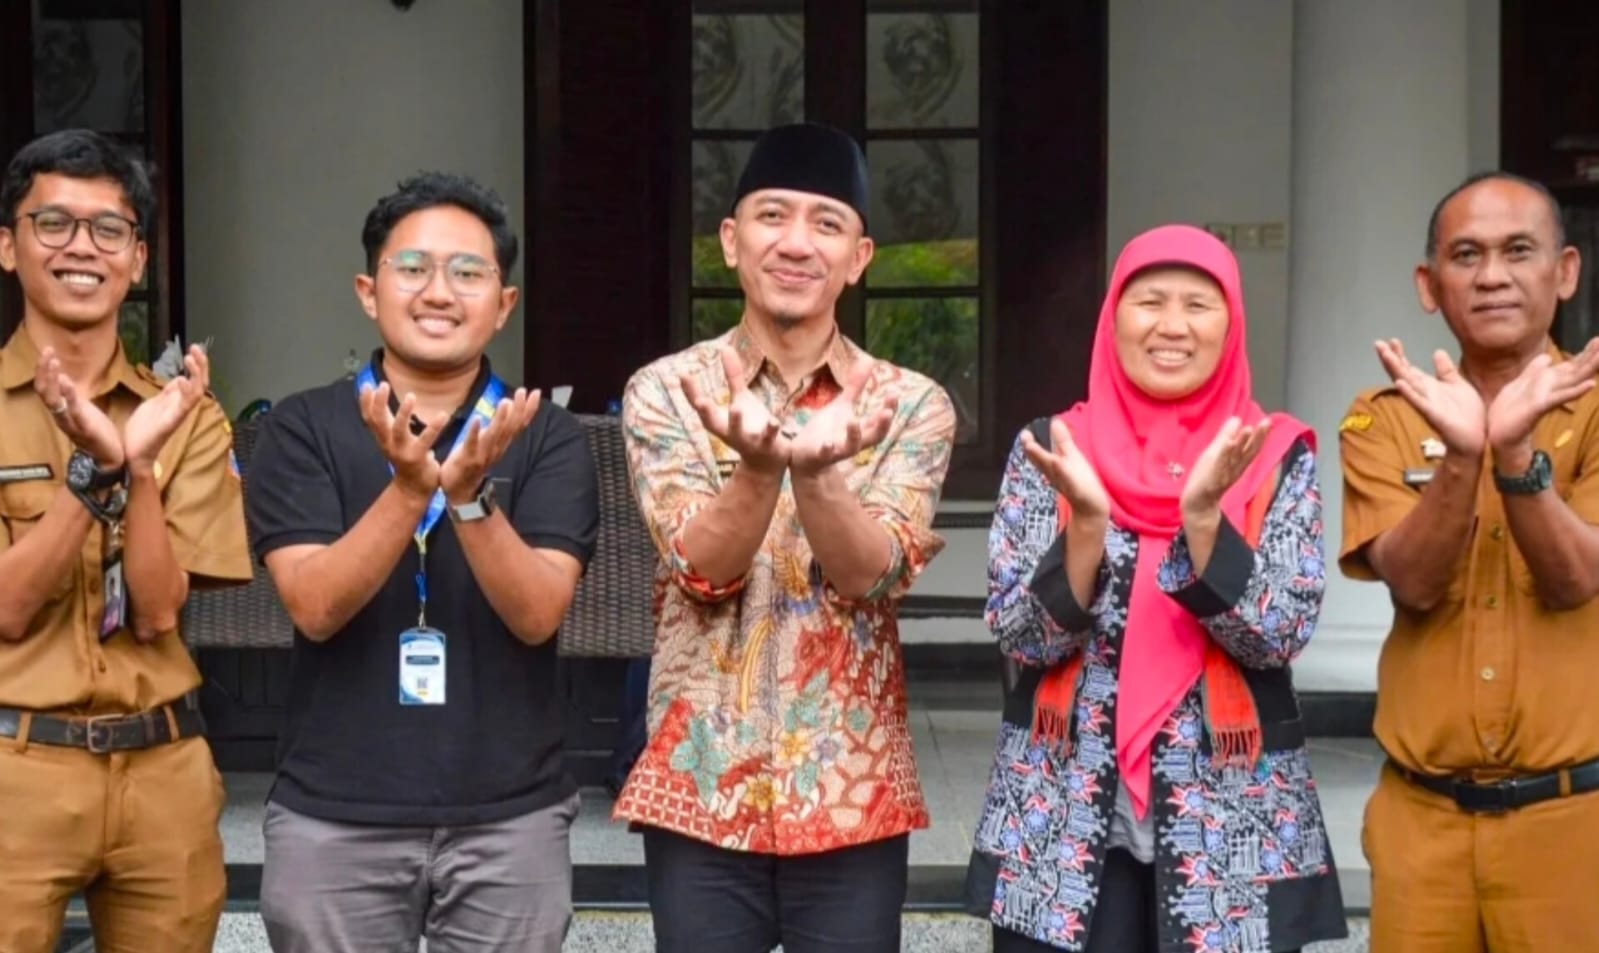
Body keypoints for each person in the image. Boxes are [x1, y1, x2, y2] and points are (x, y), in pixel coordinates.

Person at [612, 122, 957, 953]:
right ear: (731, 242)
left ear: (859, 257)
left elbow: (869, 578)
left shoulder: (910, 403)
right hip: (700, 778)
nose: (796, 243)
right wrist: (760, 468)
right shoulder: (667, 389)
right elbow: (698, 568)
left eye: (826, 224)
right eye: (772, 216)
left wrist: (818, 470)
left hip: (852, 784)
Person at [965, 224, 1348, 953]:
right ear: (1113, 318)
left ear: (1230, 325)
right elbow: (1022, 635)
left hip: (1231, 822)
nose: (1171, 326)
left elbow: (1277, 634)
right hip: (1061, 811)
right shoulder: (1051, 449)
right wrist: (1084, 526)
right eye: (1148, 301)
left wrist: (1202, 520)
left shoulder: (1269, 455)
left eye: (1198, 305)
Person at [245, 171, 599, 953]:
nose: (439, 291)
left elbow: (538, 613)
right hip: (334, 814)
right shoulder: (302, 428)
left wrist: (470, 499)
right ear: (369, 292)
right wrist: (411, 489)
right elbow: (314, 604)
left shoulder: (546, 435)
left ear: (503, 303)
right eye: (413, 268)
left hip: (511, 817)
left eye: (468, 272)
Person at [0, 128, 252, 953]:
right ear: (9, 246)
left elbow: (156, 610)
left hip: (162, 762)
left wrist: (139, 465)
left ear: (137, 259)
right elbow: (7, 607)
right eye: (54, 224)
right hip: (15, 763)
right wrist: (94, 480)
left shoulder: (184, 416)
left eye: (109, 229)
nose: (83, 248)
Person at [1339, 171, 1599, 952]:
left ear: (1564, 272)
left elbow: (1576, 577)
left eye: (1518, 251)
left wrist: (1513, 454)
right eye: (1465, 255)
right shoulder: (1381, 417)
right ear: (1429, 284)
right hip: (1423, 822)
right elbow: (1413, 584)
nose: (1490, 275)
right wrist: (1461, 454)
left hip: (1571, 821)